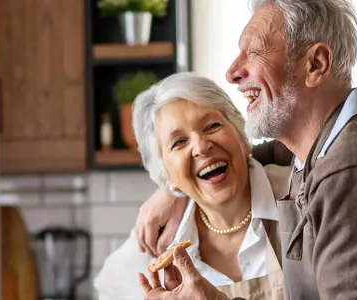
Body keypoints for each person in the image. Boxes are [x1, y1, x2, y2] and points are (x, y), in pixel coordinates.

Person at [134, 0, 357, 299]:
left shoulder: (351, 172)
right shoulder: (329, 146)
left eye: (255, 52)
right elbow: (257, 155)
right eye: (179, 142)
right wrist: (176, 186)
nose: (232, 72)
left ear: (315, 64)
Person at [93, 73, 293, 300]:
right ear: (165, 174)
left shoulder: (301, 195)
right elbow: (109, 288)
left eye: (212, 126)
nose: (201, 146)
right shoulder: (157, 242)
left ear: (241, 133)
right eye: (179, 142)